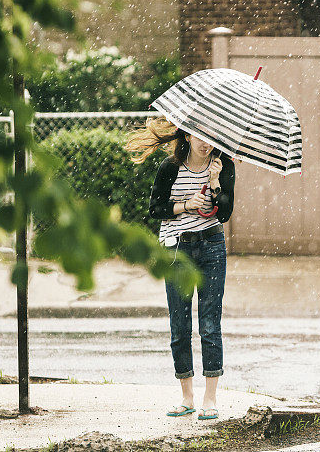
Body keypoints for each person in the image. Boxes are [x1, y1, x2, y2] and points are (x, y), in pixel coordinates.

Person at [125, 117, 235, 420]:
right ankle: (187, 397)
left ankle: (209, 399)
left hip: (212, 246)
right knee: (180, 324)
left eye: (211, 135)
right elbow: (155, 209)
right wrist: (187, 204)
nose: (205, 142)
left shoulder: (223, 165)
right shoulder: (170, 167)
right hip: (176, 248)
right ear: (186, 135)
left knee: (210, 324)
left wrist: (214, 184)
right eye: (199, 135)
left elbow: (224, 213)